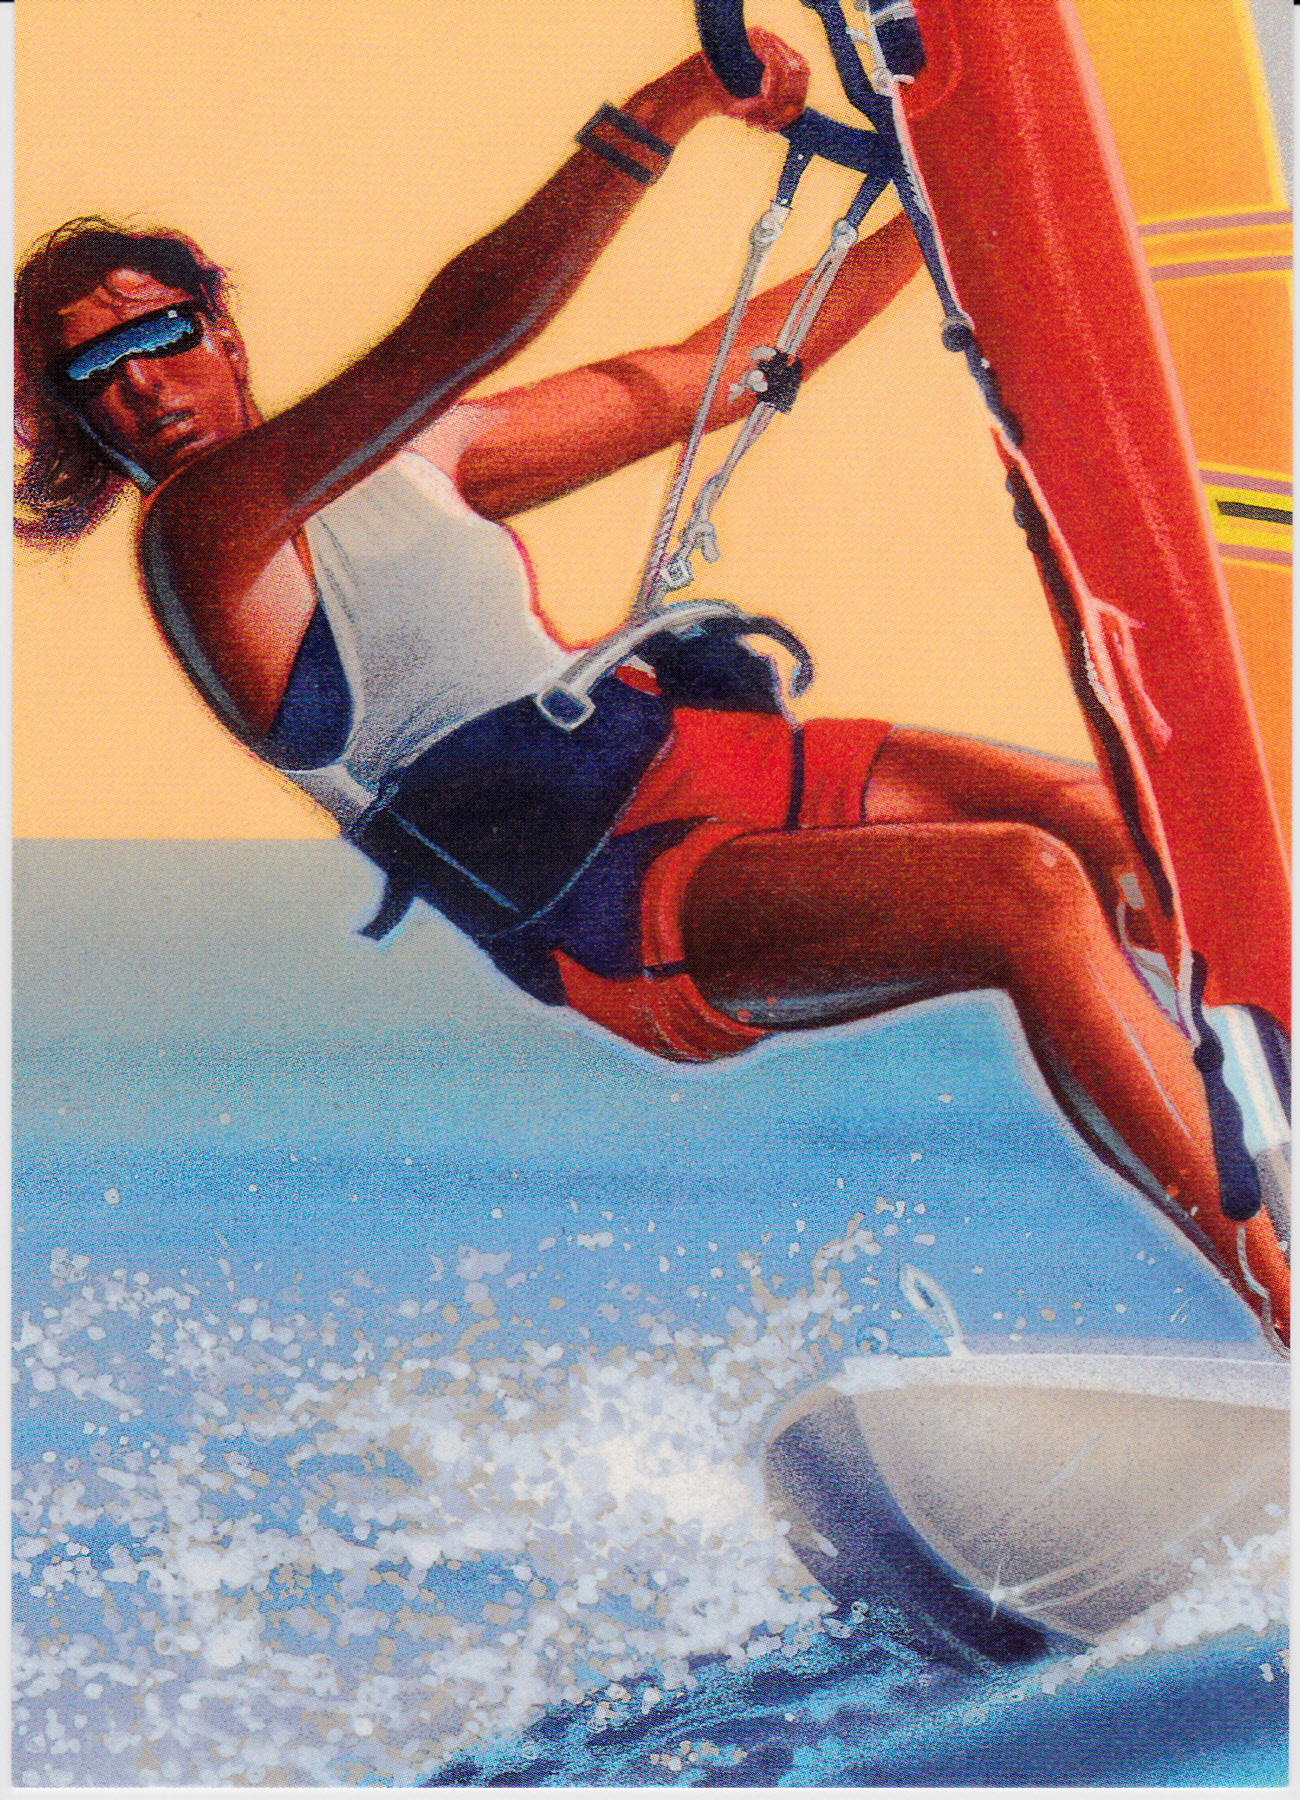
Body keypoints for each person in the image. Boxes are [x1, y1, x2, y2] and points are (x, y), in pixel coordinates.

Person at [14, 35, 1287, 1344]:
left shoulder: (413, 461)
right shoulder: (199, 543)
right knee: (1027, 890)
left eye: (158, 336)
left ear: (218, 328)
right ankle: (1284, 1300)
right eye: (90, 375)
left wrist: (947, 212)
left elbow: (706, 375)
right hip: (615, 895)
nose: (139, 384)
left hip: (700, 763)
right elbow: (459, 333)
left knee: (1124, 828)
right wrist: (672, 104)